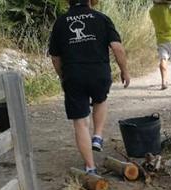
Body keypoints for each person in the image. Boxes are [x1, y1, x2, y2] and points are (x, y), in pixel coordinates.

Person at [48, 0, 130, 175]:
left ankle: (90, 168)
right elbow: (117, 48)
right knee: (101, 99)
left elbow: (55, 58)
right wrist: (125, 71)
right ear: (91, 1)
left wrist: (63, 77)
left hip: (73, 74)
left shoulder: (61, 22)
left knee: (80, 122)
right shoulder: (101, 18)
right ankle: (98, 136)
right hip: (99, 72)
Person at [148, 0, 171, 90]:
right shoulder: (168, 8)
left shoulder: (152, 10)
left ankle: (164, 81)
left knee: (163, 59)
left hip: (160, 39)